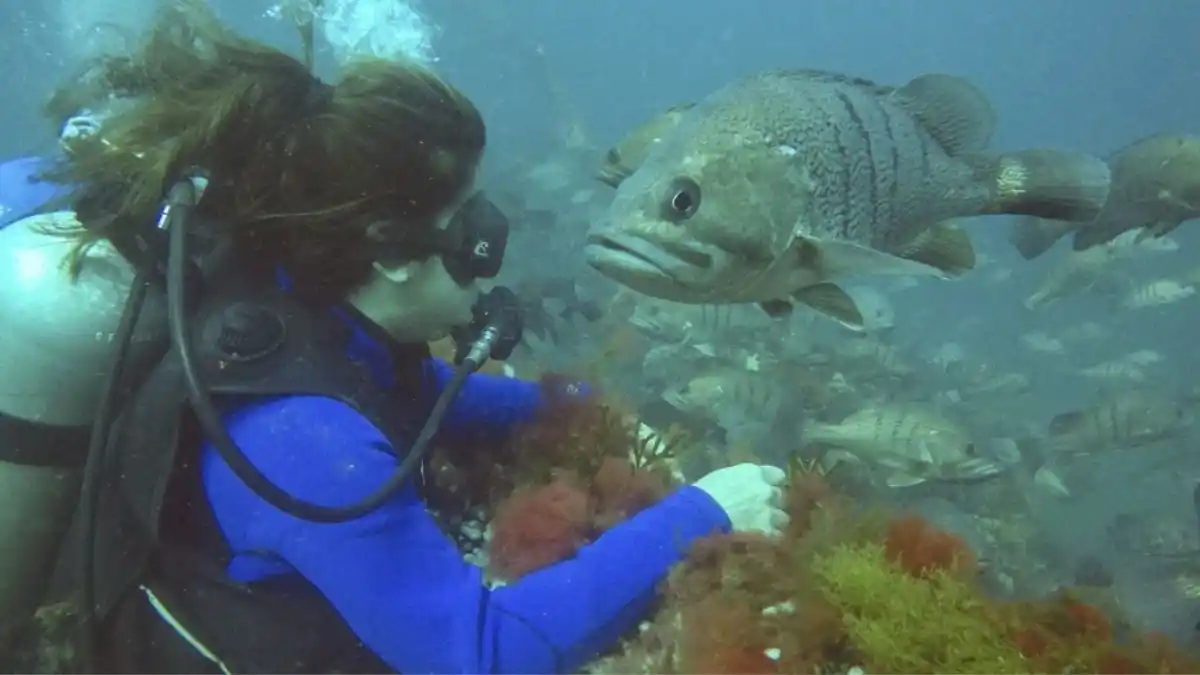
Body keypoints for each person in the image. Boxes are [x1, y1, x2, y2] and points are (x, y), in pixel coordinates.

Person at [0, 3, 788, 674]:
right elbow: (480, 651)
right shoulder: (300, 442)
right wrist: (708, 507)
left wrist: (579, 403)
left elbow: (407, 388)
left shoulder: (297, 293)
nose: (491, 254)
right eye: (474, 227)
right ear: (391, 251)